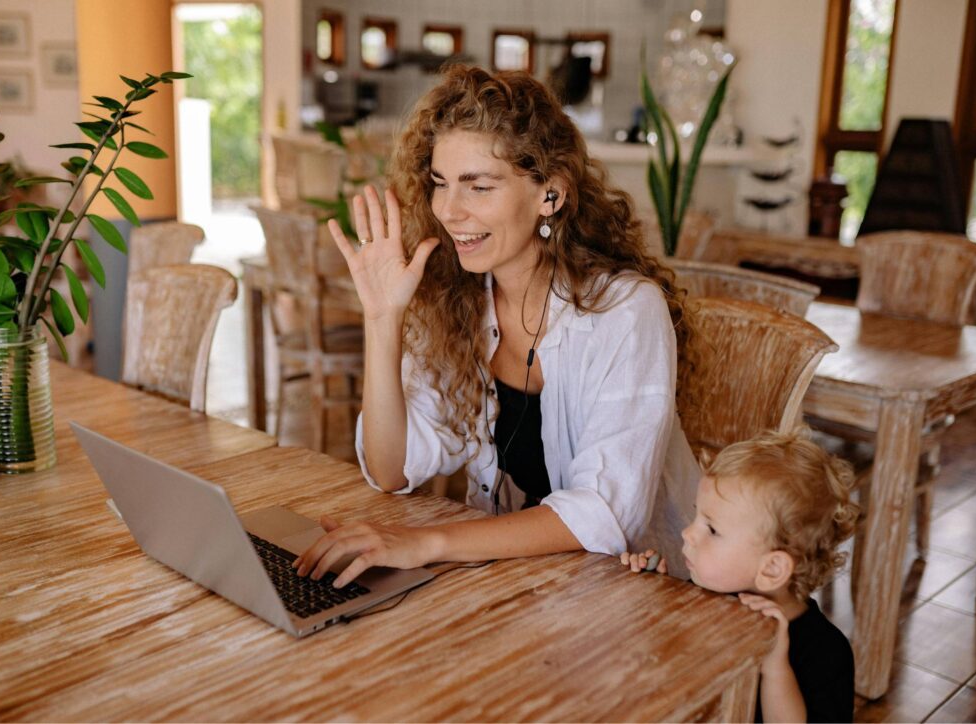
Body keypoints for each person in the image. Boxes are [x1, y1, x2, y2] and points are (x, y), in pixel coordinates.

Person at [295, 64, 701, 589]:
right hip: (527, 583)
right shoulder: (460, 299)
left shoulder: (625, 313)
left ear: (550, 196)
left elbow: (605, 513)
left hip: (654, 591)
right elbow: (392, 468)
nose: (448, 210)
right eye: (440, 184)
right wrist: (382, 318)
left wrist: (429, 543)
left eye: (478, 187)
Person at [622, 430, 859, 723]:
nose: (687, 533)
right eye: (697, 515)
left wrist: (774, 666)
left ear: (771, 569)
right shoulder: (705, 594)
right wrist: (654, 588)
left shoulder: (826, 654)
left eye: (712, 529)